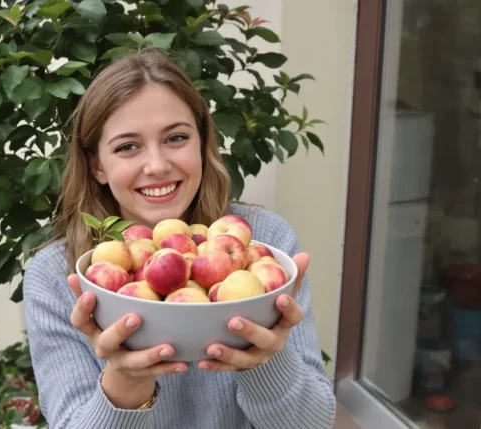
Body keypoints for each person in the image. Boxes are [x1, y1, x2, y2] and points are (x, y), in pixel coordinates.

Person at [22, 49, 336, 429]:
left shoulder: (263, 247)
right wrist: (126, 379)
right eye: (127, 147)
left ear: (202, 143)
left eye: (176, 137)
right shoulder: (62, 275)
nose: (157, 165)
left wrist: (265, 359)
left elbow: (313, 424)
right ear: (97, 166)